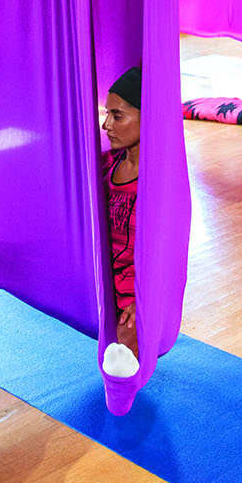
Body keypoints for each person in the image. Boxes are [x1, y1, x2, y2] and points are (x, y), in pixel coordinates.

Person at [100, 66, 141, 364]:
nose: (106, 125)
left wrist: (145, 301)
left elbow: (170, 255)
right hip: (99, 283)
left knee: (122, 356)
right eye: (107, 114)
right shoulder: (106, 166)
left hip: (135, 294)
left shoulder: (160, 183)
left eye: (117, 116)